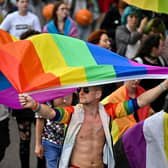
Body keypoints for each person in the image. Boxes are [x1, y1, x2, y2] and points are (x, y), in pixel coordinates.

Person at [18, 79, 168, 168]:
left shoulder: (109, 111)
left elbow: (140, 101)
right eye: (79, 90)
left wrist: (164, 85)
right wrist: (34, 105)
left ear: (98, 94)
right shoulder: (73, 113)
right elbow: (51, 113)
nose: (80, 93)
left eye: (86, 90)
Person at [11, 29, 45, 168]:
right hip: (23, 106)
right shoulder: (18, 61)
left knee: (42, 143)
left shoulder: (44, 60)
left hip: (41, 105)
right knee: (24, 141)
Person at [101, 79, 154, 144]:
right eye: (133, 76)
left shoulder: (144, 93)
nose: (136, 80)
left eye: (138, 76)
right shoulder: (113, 99)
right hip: (122, 144)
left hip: (142, 141)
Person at [35, 93, 78, 168]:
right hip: (50, 142)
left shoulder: (75, 92)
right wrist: (38, 144)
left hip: (69, 143)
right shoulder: (48, 93)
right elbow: (40, 119)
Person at [134, 34, 168, 112]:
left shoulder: (162, 61)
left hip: (160, 107)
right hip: (144, 107)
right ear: (154, 48)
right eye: (161, 45)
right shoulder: (139, 62)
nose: (164, 48)